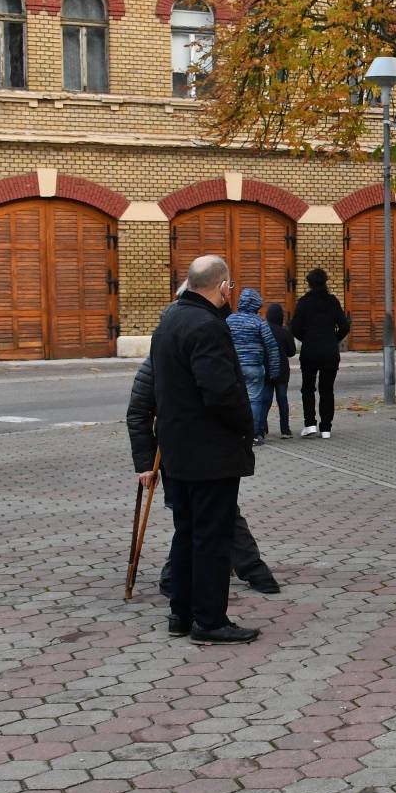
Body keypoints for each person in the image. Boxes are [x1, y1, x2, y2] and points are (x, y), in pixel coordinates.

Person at [150, 255, 260, 645]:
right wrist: (246, 426)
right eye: (229, 286)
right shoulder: (206, 325)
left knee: (187, 532)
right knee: (211, 538)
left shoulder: (171, 320)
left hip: (178, 448)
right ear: (222, 286)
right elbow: (219, 390)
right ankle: (210, 620)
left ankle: (181, 613)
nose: (231, 292)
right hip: (210, 451)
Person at [127, 354, 281, 598]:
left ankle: (245, 568)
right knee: (192, 514)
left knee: (221, 510)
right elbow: (138, 413)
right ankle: (176, 576)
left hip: (210, 449)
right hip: (175, 453)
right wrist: (147, 465)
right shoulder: (157, 363)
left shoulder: (207, 358)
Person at [290, 268, 350, 440]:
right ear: (325, 282)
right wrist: (334, 339)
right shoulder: (332, 302)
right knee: (327, 389)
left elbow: (294, 328)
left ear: (309, 283)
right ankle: (326, 428)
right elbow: (345, 326)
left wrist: (306, 338)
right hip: (330, 351)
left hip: (310, 351)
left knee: (308, 388)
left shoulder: (304, 302)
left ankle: (310, 424)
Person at [226, 288, 280, 447]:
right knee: (255, 400)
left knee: (235, 400)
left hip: (233, 368)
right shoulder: (259, 323)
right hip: (254, 367)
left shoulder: (229, 320)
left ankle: (235, 432)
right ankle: (254, 435)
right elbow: (272, 347)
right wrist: (275, 371)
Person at [264, 303, 296, 439]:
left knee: (265, 400)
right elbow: (292, 352)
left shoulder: (263, 330)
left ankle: (262, 427)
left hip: (267, 369)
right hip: (282, 371)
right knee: (282, 400)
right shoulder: (284, 332)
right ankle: (285, 429)